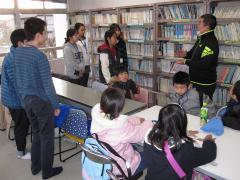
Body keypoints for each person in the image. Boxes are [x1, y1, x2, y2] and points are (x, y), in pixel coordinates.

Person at [13, 17, 62, 179]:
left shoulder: (18, 52)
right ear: (39, 35)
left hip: (26, 100)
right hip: (41, 102)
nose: (46, 35)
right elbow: (48, 86)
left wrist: (23, 100)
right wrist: (55, 105)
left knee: (36, 133)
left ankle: (35, 167)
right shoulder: (39, 56)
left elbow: (18, 80)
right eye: (45, 32)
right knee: (47, 137)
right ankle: (47, 172)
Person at [144, 104, 217, 180]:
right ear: (183, 122)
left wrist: (182, 133)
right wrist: (208, 141)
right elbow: (209, 154)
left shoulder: (150, 137)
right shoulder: (184, 148)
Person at [91, 88, 153, 176]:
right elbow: (139, 134)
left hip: (105, 163)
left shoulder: (98, 116)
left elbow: (120, 119)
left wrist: (137, 120)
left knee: (136, 147)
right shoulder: (120, 128)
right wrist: (149, 122)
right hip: (120, 168)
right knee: (151, 155)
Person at [176, 14, 219, 106]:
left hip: (204, 84)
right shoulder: (201, 38)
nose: (197, 24)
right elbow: (191, 54)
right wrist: (185, 55)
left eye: (199, 22)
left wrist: (185, 61)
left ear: (207, 27)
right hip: (196, 81)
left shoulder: (210, 42)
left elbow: (204, 64)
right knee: (195, 106)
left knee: (203, 108)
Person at [1, 29, 30, 160]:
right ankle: (21, 153)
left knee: (22, 124)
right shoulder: (14, 59)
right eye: (26, 41)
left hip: (12, 98)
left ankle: (21, 148)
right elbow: (18, 85)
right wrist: (25, 103)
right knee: (21, 126)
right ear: (19, 43)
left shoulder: (14, 55)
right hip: (16, 100)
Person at [75, 23, 91, 87]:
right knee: (80, 84)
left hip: (87, 64)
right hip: (80, 65)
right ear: (76, 31)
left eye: (84, 30)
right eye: (81, 30)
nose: (83, 31)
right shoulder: (75, 41)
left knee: (85, 83)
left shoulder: (85, 39)